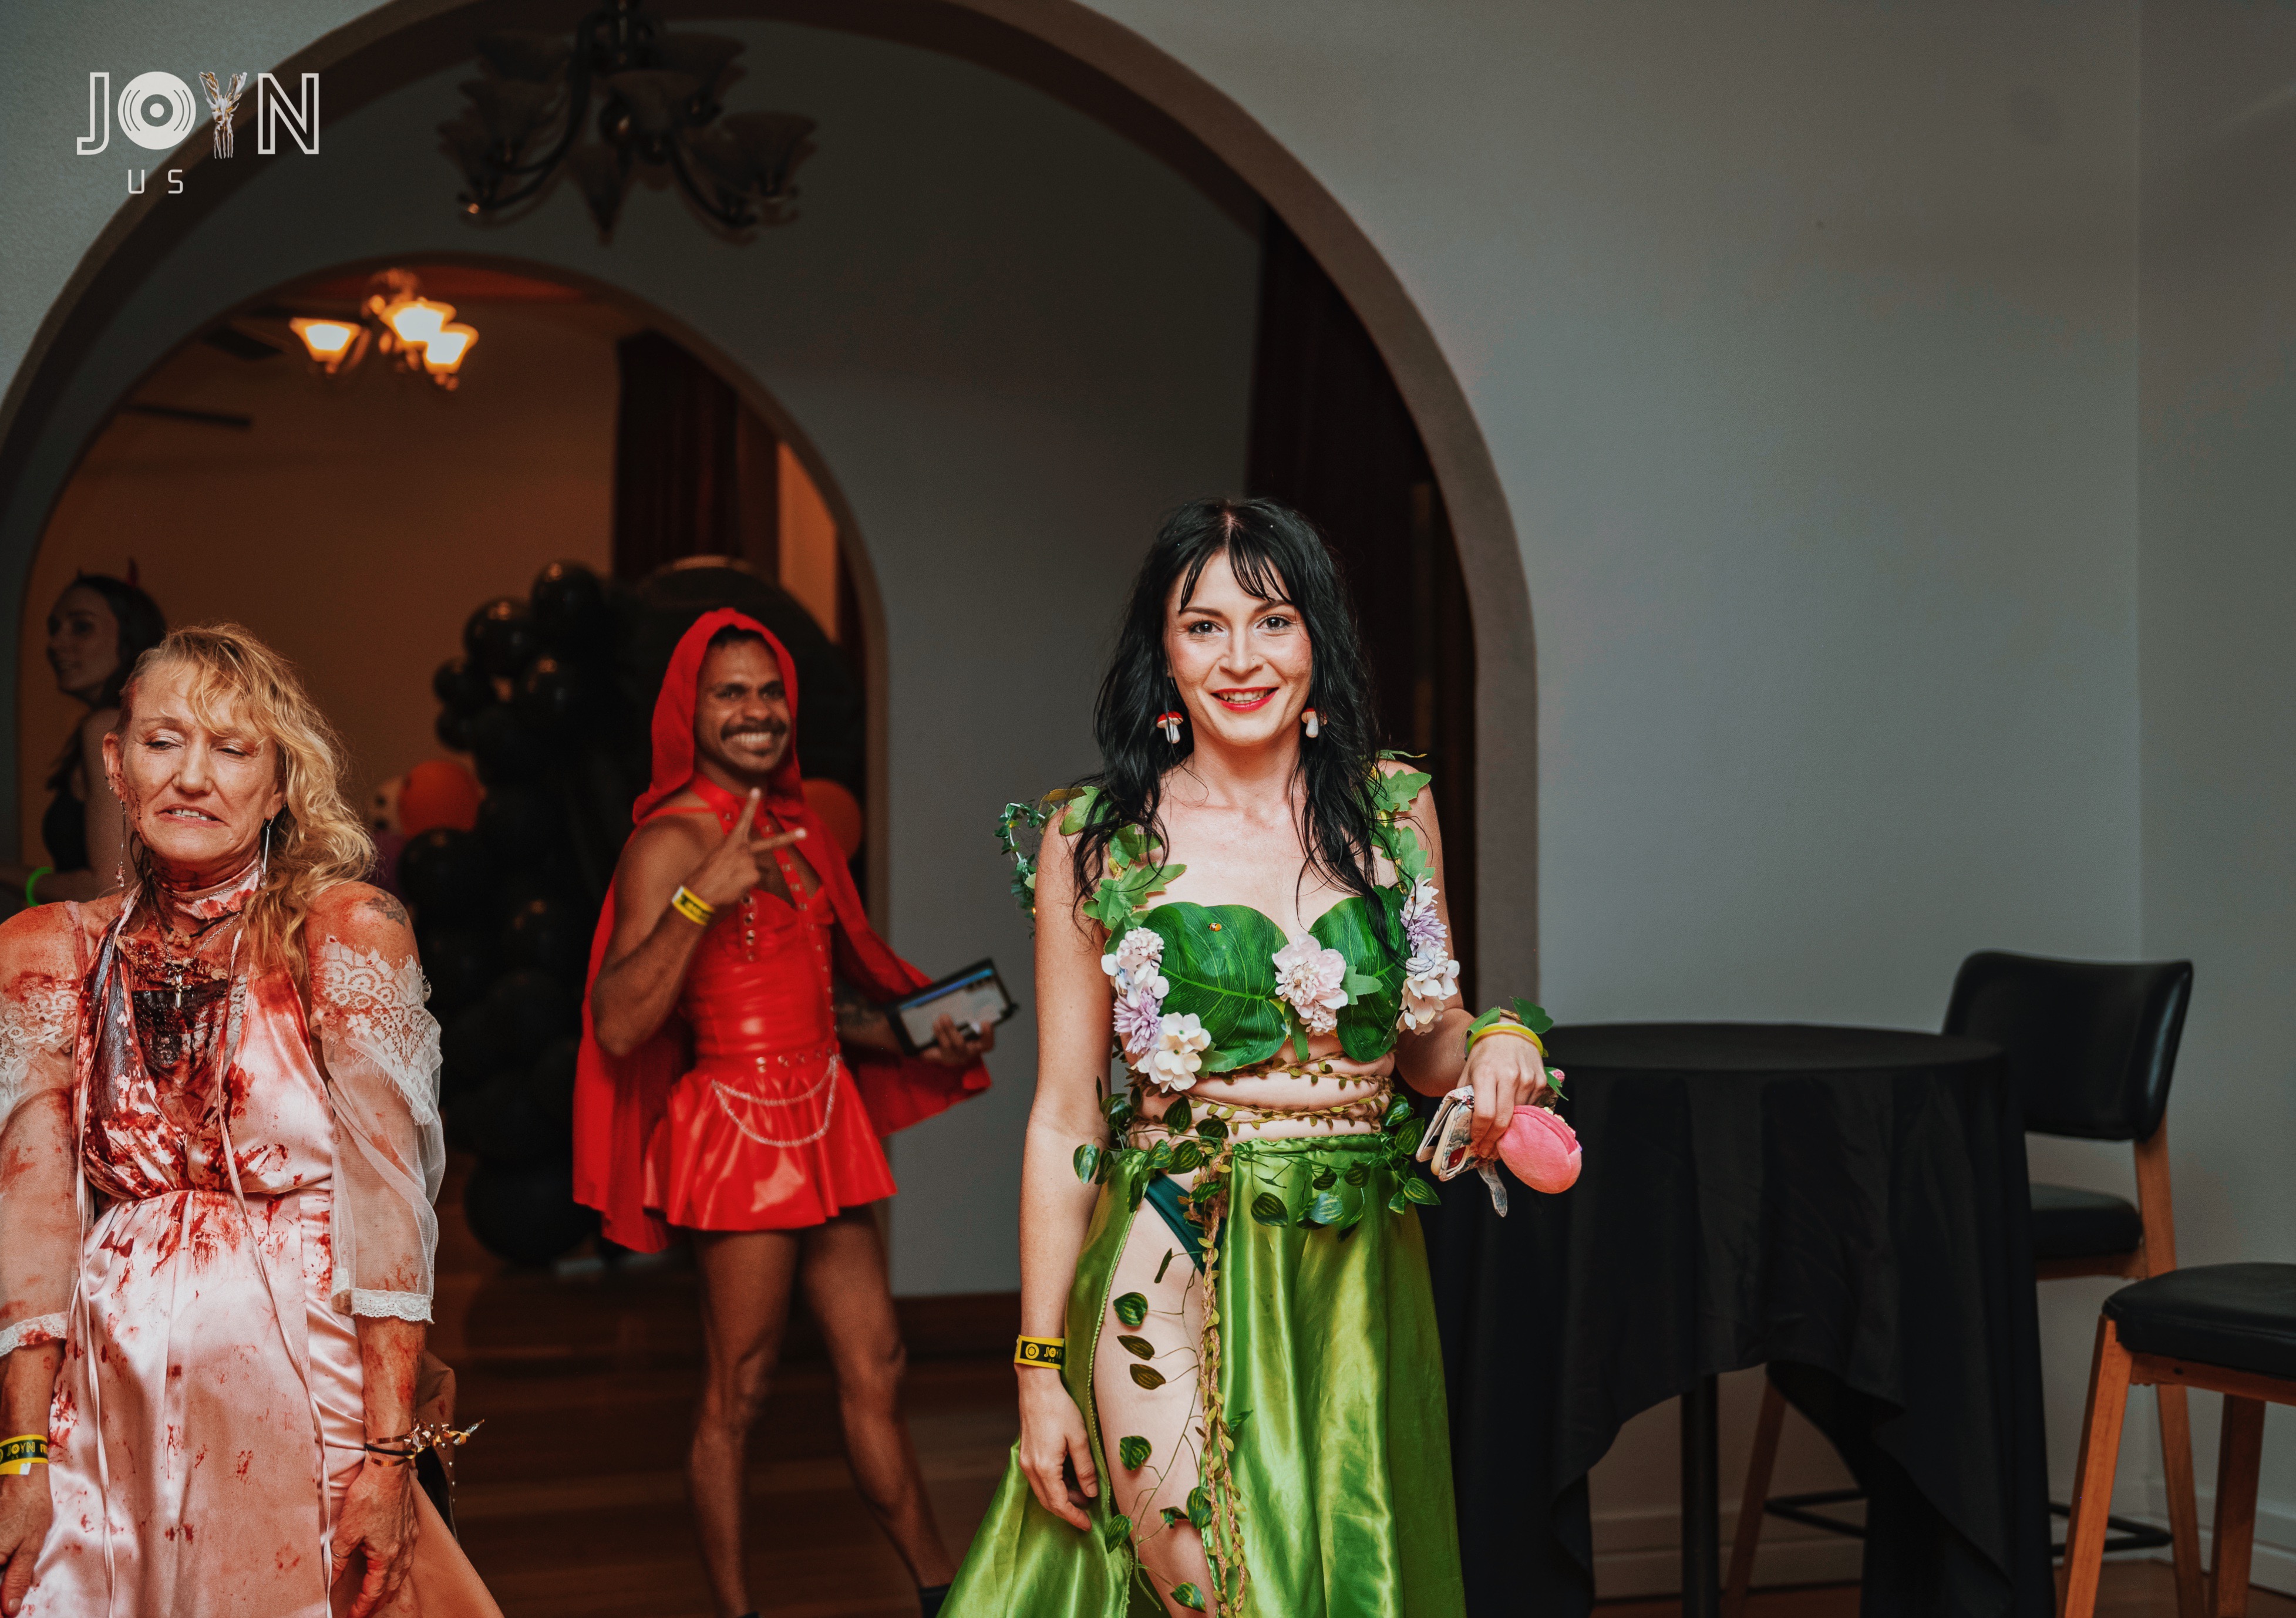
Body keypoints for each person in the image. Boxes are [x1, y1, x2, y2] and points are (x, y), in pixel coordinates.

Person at [945, 498, 1556, 1617]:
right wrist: (1037, 1370)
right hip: (1168, 1256)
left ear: (1316, 638)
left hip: (1353, 1277)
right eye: (1203, 627)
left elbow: (1429, 1043)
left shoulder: (1391, 812)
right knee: (1223, 1596)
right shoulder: (1098, 836)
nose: (1240, 658)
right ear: (1164, 654)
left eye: (1273, 621)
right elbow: (1066, 1117)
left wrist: (1501, 1041)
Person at [0, 625, 499, 1618]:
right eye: (163, 742)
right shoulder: (46, 951)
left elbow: (388, 1218)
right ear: (117, 764)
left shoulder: (343, 933)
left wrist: (387, 1458)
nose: (192, 776)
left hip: (309, 1390)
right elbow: (32, 1223)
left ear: (278, 788)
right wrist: (21, 1458)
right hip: (110, 1401)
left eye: (232, 750)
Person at [576, 609, 993, 1618]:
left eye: (770, 691)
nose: (756, 710)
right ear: (691, 712)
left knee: (879, 1363)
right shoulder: (666, 842)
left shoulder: (803, 834)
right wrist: (698, 898)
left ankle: (946, 1595)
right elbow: (619, 1022)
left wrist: (915, 1037)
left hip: (824, 1116)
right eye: (732, 693)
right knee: (742, 1389)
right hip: (736, 1129)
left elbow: (824, 1004)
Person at [0, 574, 166, 910]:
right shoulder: (124, 725)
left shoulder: (106, 728)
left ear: (130, 637)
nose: (56, 643)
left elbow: (109, 890)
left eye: (81, 627)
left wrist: (10, 876)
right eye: (54, 628)